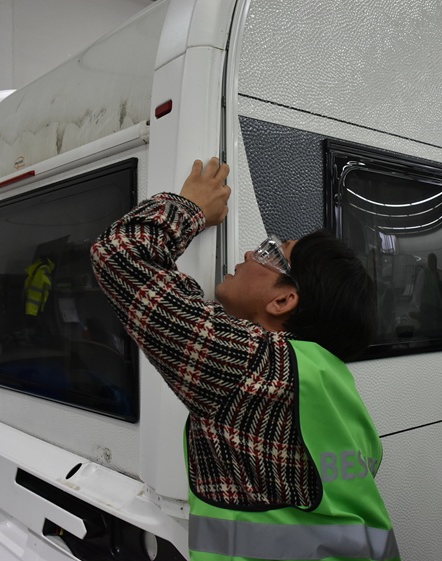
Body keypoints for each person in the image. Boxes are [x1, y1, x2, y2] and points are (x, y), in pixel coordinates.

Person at [91, 157, 399, 561]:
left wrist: (191, 207)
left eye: (272, 253)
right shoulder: (328, 379)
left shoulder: (254, 364)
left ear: (283, 300)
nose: (252, 252)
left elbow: (119, 253)